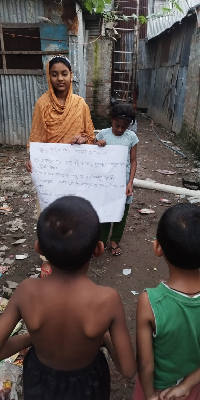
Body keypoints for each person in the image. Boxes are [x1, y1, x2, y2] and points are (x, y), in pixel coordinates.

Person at [0, 196, 136, 400]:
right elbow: (128, 369)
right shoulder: (108, 300)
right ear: (98, 250)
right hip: (88, 386)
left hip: (40, 382)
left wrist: (33, 338)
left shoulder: (27, 290)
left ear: (39, 247)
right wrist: (105, 338)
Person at [26, 55, 95, 277]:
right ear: (49, 77)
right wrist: (32, 158)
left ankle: (75, 253)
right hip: (50, 171)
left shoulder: (80, 104)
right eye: (54, 74)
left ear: (71, 75)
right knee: (48, 212)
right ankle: (48, 257)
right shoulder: (42, 104)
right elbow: (36, 139)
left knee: (74, 211)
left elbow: (90, 136)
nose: (60, 79)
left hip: (75, 169)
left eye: (64, 73)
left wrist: (82, 140)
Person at [134, 203, 200, 400]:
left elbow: (145, 364)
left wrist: (150, 396)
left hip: (158, 390)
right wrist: (188, 384)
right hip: (193, 386)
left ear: (157, 247)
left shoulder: (150, 302)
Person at [96, 103, 138, 256]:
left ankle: (114, 241)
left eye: (124, 127)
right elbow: (93, 155)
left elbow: (133, 161)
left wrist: (130, 183)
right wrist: (97, 144)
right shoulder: (103, 135)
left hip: (123, 184)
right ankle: (101, 241)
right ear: (111, 119)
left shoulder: (131, 137)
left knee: (121, 214)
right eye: (117, 125)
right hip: (106, 184)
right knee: (105, 212)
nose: (120, 129)